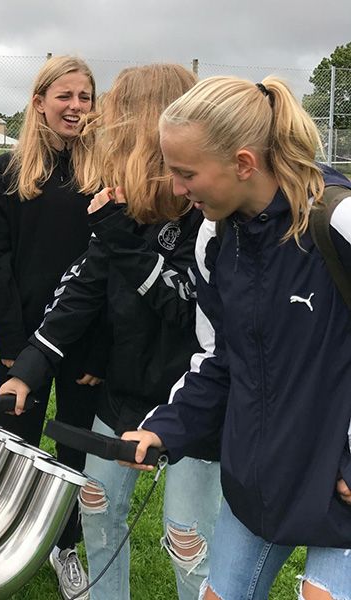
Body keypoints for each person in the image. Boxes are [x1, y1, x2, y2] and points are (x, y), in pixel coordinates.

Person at [123, 75, 351, 600]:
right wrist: (166, 428)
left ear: (244, 164)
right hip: (259, 480)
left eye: (186, 173)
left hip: (338, 484)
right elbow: (220, 357)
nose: (177, 190)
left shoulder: (335, 222)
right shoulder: (213, 238)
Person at [0, 64, 221, 600]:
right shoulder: (122, 210)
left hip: (195, 402)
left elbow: (187, 308)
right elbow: (80, 289)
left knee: (187, 539)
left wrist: (127, 246)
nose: (98, 124)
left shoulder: (212, 217)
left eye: (114, 118)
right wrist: (29, 368)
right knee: (95, 505)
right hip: (121, 394)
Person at [0, 56, 103, 600]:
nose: (75, 107)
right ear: (39, 102)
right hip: (24, 341)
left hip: (82, 345)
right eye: (65, 96)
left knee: (73, 448)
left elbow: (108, 269)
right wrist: (10, 345)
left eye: (86, 97)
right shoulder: (8, 171)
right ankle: (7, 539)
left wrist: (98, 350)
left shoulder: (104, 173)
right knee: (18, 442)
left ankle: (63, 543)